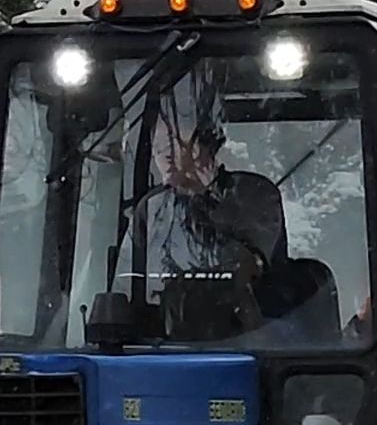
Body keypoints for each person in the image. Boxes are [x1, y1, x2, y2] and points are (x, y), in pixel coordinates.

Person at [119, 62, 341, 346]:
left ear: (206, 146)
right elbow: (127, 275)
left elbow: (246, 265)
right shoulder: (150, 207)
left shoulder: (251, 192)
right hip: (167, 336)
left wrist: (201, 199)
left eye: (176, 142)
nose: (166, 155)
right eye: (159, 145)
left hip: (255, 329)